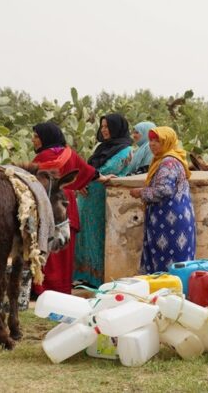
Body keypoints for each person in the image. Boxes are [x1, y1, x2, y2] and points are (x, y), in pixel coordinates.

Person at [30, 122, 99, 295]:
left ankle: (42, 287)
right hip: (67, 203)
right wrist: (105, 178)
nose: (33, 140)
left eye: (37, 136)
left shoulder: (42, 157)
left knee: (46, 245)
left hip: (48, 203)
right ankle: (61, 288)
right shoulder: (69, 153)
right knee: (64, 249)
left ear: (46, 137)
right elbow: (89, 172)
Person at [74, 114, 133, 287]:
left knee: (97, 235)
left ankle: (97, 277)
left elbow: (109, 170)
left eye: (108, 126)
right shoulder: (102, 148)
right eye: (103, 126)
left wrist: (87, 178)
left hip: (102, 198)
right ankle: (84, 274)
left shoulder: (126, 150)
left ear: (117, 127)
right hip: (87, 197)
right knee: (84, 235)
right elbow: (91, 169)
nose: (104, 130)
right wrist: (81, 182)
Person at [129, 127, 196, 273]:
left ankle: (166, 293)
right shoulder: (168, 159)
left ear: (167, 142)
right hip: (171, 218)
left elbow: (164, 190)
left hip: (169, 221)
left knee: (167, 263)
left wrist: (140, 192)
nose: (152, 144)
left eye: (157, 141)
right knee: (173, 261)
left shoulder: (168, 162)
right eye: (151, 140)